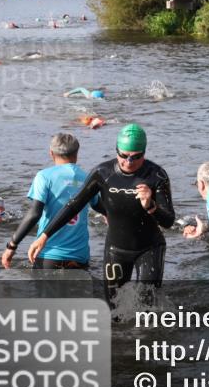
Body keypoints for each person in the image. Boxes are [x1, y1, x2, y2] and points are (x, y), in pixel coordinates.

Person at [28, 124, 175, 307]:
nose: (129, 161)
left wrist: (151, 205)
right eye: (124, 155)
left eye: (136, 157)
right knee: (113, 310)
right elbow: (74, 205)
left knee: (147, 306)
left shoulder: (156, 175)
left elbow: (169, 220)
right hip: (116, 250)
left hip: (149, 249)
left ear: (144, 153)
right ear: (116, 151)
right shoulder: (102, 173)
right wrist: (44, 236)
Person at [2, 133, 98, 270]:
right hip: (80, 257)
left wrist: (12, 245)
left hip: (49, 255)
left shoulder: (44, 177)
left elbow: (34, 214)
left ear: (51, 153)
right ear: (77, 153)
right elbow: (103, 208)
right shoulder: (88, 178)